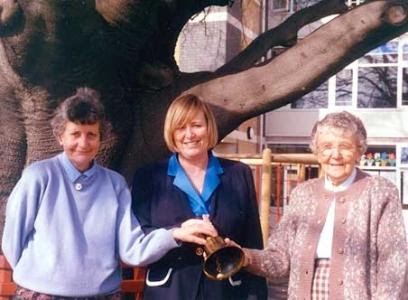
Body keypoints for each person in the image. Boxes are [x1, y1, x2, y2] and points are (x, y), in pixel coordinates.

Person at [1, 87, 217, 298]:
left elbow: (131, 248)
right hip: (42, 294)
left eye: (91, 135)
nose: (83, 143)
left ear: (100, 137)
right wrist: (40, 278)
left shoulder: (114, 185)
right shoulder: (38, 176)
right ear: (60, 137)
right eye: (75, 133)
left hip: (102, 295)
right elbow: (13, 241)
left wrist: (174, 234)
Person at [236, 111, 408, 299]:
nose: (335, 155)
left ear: (359, 151)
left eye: (345, 146)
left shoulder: (380, 191)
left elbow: (394, 262)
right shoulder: (302, 194)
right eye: (327, 146)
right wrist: (244, 257)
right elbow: (280, 258)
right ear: (317, 152)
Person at [131, 94, 267, 300]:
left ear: (209, 128)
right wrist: (175, 234)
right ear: (171, 133)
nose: (189, 134)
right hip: (169, 292)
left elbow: (253, 241)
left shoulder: (239, 174)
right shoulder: (148, 177)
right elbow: (138, 237)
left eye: (196, 125)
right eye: (181, 127)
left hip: (228, 292)